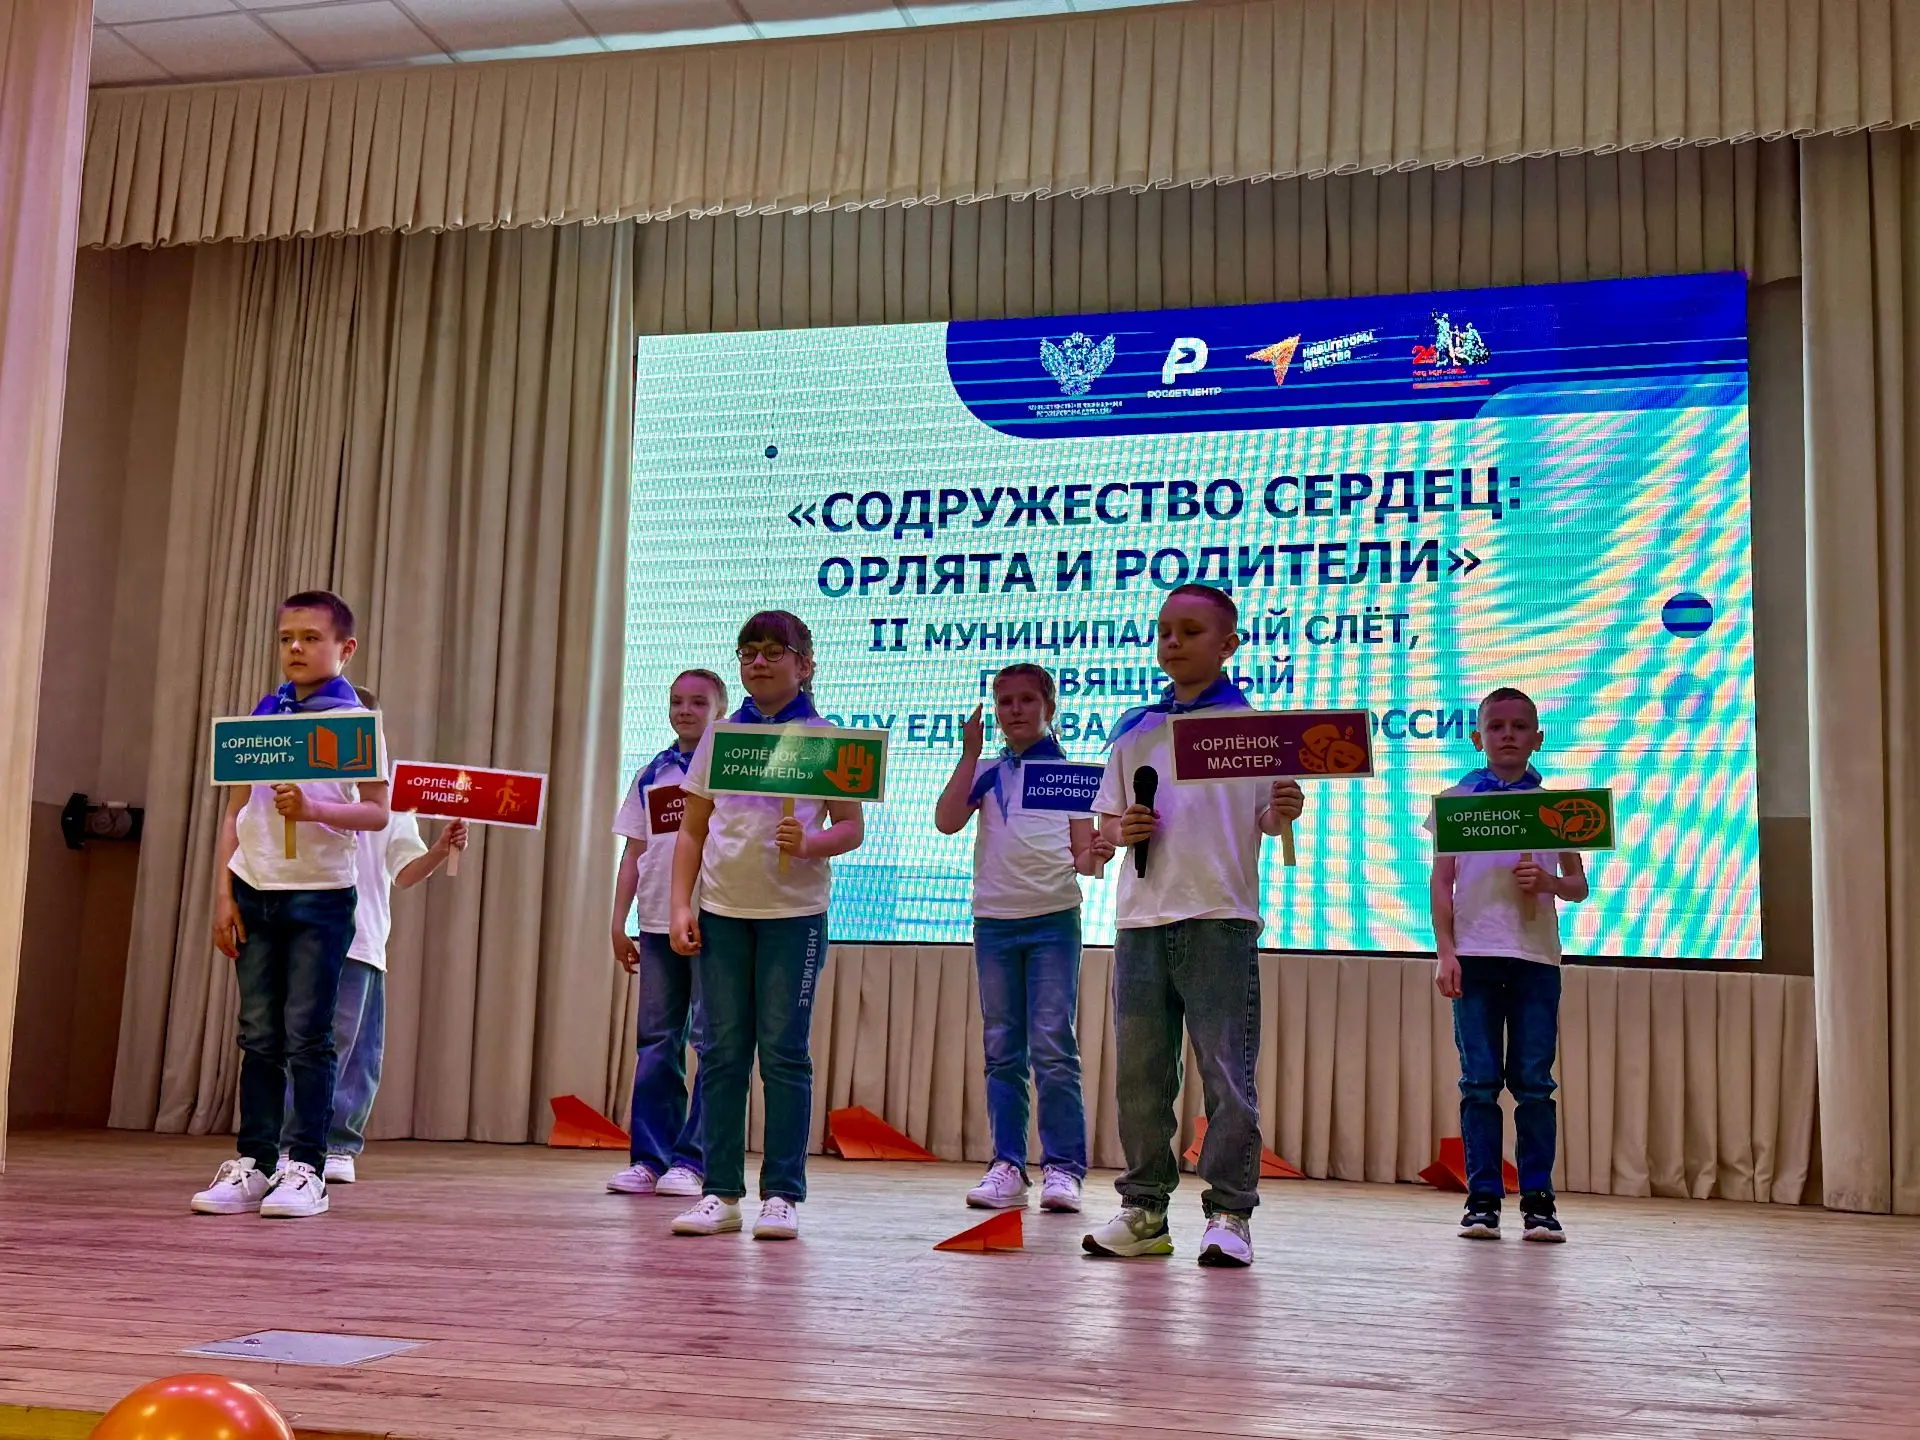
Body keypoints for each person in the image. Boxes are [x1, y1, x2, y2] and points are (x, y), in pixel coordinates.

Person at [1084, 585, 1305, 1268]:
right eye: (1164, 631)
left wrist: (1284, 810)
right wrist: (1123, 828)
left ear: (1229, 645)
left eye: (1191, 631)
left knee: (1226, 1073)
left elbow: (1268, 819)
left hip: (1219, 917)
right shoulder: (1135, 728)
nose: (1173, 642)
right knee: (1141, 1076)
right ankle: (1144, 1209)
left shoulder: (1253, 729)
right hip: (1142, 919)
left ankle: (1230, 1213)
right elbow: (1107, 822)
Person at [667, 612, 865, 1241]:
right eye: (748, 651)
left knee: (783, 1054)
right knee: (722, 1054)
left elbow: (850, 828)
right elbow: (692, 830)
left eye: (774, 651)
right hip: (722, 914)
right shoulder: (721, 736)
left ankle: (781, 1194)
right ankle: (720, 1192)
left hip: (793, 919)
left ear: (805, 664)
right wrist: (679, 905)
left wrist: (811, 844)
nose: (758, 662)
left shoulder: (824, 738)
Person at [194, 591, 390, 1219]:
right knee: (258, 1034)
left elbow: (377, 811)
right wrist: (223, 893)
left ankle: (305, 1167)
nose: (296, 648)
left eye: (311, 637)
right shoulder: (262, 716)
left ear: (345, 648)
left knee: (309, 1035)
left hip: (320, 895)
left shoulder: (354, 722)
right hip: (255, 889)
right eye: (286, 638)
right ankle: (252, 1163)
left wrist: (313, 809)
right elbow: (236, 811)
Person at [934, 664, 1111, 1214]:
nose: (1014, 710)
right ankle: (1007, 1164)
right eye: (1005, 701)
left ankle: (1064, 1168)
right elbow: (946, 821)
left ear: (1049, 706)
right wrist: (969, 753)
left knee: (1054, 1044)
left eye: (1027, 700)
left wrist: (1097, 854)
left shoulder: (1071, 774)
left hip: (1053, 920)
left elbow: (1083, 858)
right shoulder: (986, 771)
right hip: (994, 922)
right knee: (1001, 1048)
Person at [274, 687, 465, 1186]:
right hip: (304, 932)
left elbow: (404, 872)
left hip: (362, 937)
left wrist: (440, 849)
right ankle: (291, 1144)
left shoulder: (392, 799)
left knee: (354, 1049)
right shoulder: (297, 787)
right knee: (300, 1042)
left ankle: (338, 1144)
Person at [1430, 687, 1590, 1243]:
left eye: (1519, 726)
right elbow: (1441, 883)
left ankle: (1539, 1201)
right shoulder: (1455, 802)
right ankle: (1482, 1199)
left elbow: (1578, 885)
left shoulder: (1557, 807)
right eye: (1496, 727)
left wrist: (1549, 882)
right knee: (1478, 1082)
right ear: (1478, 738)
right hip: (1473, 958)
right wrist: (1445, 952)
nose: (1507, 735)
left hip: (1535, 960)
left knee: (1534, 1084)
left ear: (1537, 738)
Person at [607, 668, 728, 1199]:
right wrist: (619, 921)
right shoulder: (651, 773)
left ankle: (693, 1161)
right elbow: (634, 852)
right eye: (677, 701)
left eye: (698, 702)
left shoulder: (730, 770)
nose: (685, 710)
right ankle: (649, 1159)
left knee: (711, 1042)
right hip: (656, 924)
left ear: (721, 711)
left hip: (715, 921)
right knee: (657, 1042)